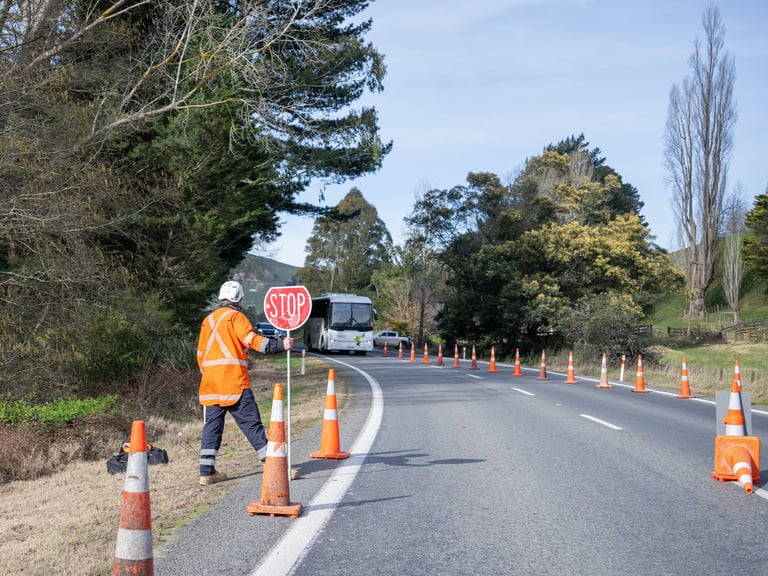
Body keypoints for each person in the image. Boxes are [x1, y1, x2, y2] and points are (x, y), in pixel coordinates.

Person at [196, 280, 294, 486]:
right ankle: (275, 466)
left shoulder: (208, 320)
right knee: (251, 425)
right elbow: (253, 341)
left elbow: (200, 354)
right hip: (233, 382)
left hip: (210, 384)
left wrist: (209, 374)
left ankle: (206, 472)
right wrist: (280, 345)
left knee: (211, 427)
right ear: (239, 299)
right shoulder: (236, 317)